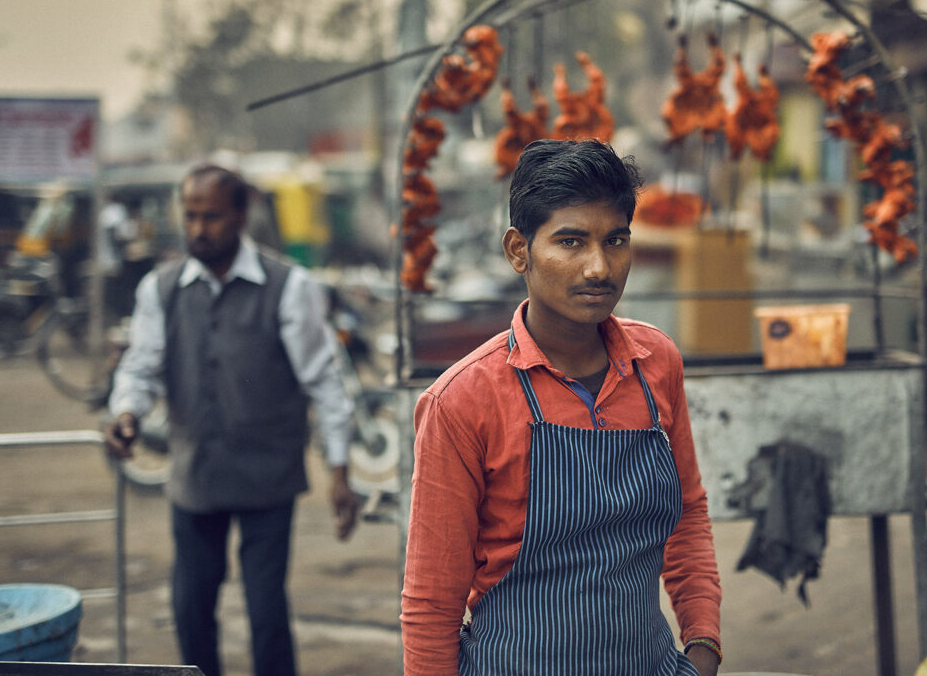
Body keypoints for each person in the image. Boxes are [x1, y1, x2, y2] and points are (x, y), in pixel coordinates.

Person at [400, 139, 722, 675]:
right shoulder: (462, 401)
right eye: (571, 241)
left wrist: (703, 649)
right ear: (518, 251)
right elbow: (432, 603)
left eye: (615, 240)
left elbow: (687, 517)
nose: (599, 267)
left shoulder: (656, 363)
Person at [103, 163, 359, 676]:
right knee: (190, 608)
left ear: (241, 216)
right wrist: (126, 412)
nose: (198, 228)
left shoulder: (290, 287)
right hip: (195, 477)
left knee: (266, 614)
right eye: (191, 216)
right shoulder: (161, 289)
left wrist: (339, 470)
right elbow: (141, 366)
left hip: (269, 479)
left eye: (212, 216)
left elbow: (324, 382)